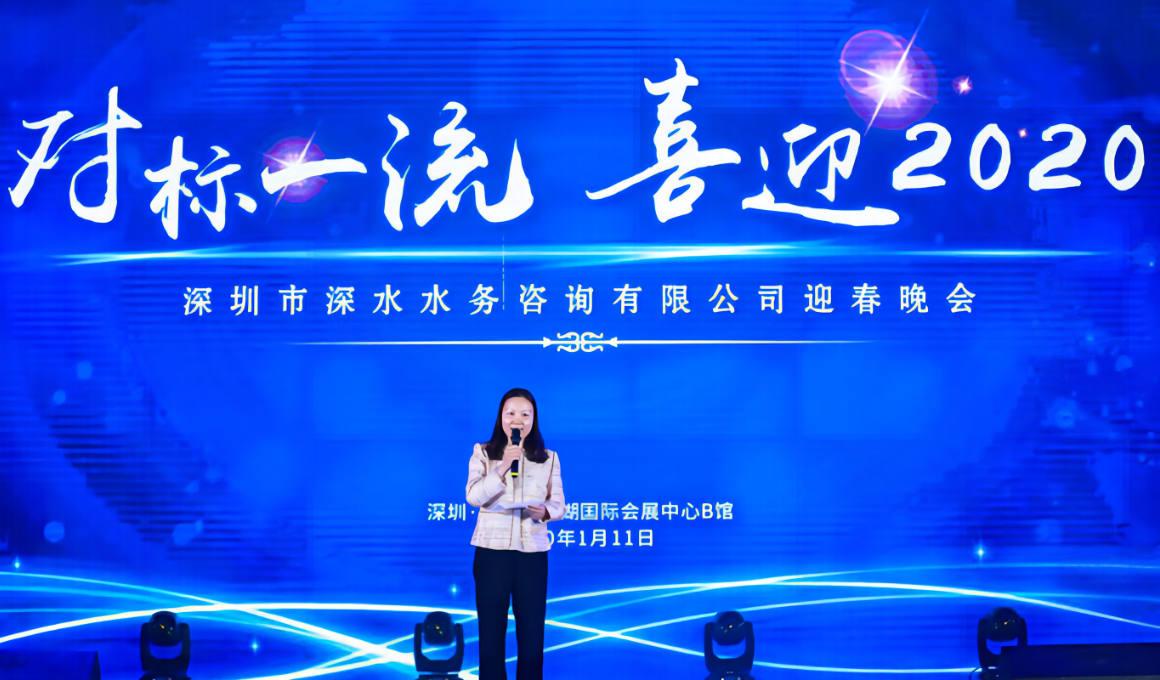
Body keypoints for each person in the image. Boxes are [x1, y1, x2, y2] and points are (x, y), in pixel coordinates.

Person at [466, 388, 565, 680]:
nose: (517, 420)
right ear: (501, 417)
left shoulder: (548, 458)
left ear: (534, 419)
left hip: (532, 555)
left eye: (525, 414)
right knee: (490, 637)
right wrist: (502, 467)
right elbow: (473, 496)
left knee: (532, 637)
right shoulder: (483, 452)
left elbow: (559, 505)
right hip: (491, 553)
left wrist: (544, 511)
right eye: (511, 413)